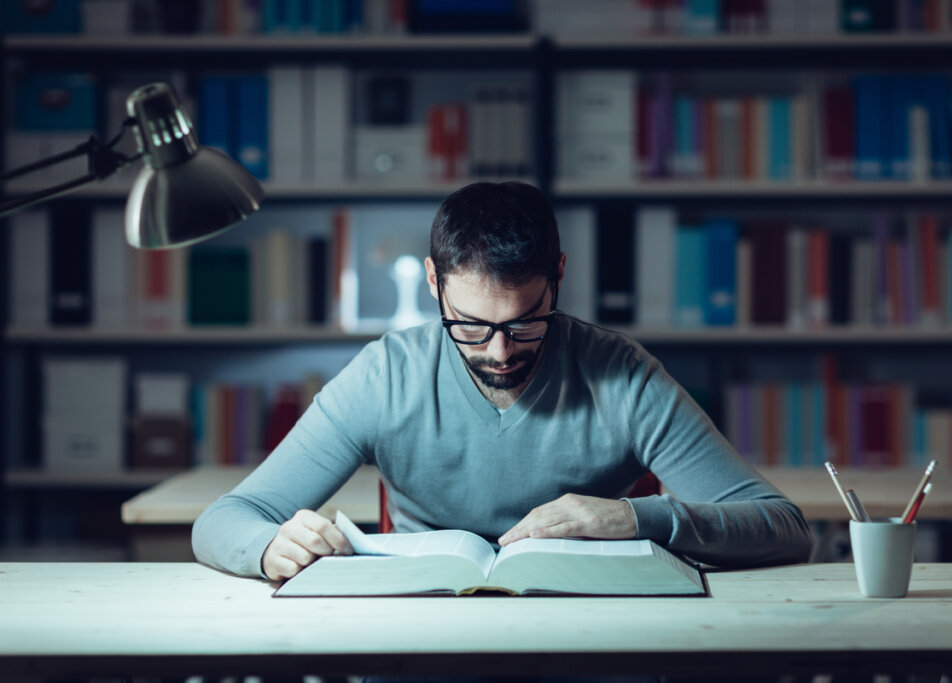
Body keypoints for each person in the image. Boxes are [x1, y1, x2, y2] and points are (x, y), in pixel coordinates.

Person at [192, 181, 812, 581]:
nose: (498, 351)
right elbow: (225, 519)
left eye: (525, 322)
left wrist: (635, 517)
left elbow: (782, 527)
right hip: (423, 649)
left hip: (592, 645)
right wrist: (271, 547)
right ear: (434, 283)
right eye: (469, 325)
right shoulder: (386, 375)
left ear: (559, 275)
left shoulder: (621, 372)